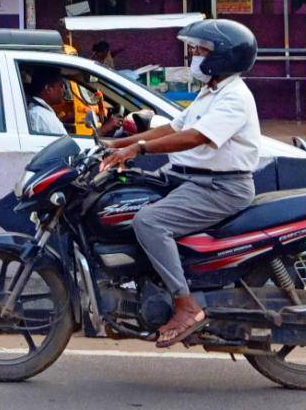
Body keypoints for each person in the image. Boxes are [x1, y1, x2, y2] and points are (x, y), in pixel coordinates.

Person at [100, 19, 260, 348]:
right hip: (187, 179)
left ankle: (186, 305)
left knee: (150, 222)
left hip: (220, 188)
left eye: (202, 51)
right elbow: (173, 127)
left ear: (224, 57)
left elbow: (194, 137)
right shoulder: (211, 91)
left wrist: (139, 148)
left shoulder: (234, 98)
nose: (196, 57)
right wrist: (118, 146)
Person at [27, 67, 68, 136]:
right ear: (49, 88)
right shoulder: (40, 115)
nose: (63, 90)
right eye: (61, 86)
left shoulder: (40, 112)